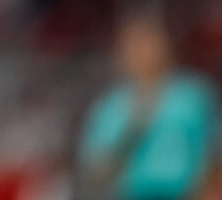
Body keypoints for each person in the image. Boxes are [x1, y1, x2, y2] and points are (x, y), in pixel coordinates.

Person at [76, 11, 220, 200]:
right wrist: (132, 131)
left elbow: (213, 150)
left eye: (148, 44)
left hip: (183, 193)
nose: (143, 53)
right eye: (133, 47)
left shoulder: (193, 97)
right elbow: (98, 167)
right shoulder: (110, 107)